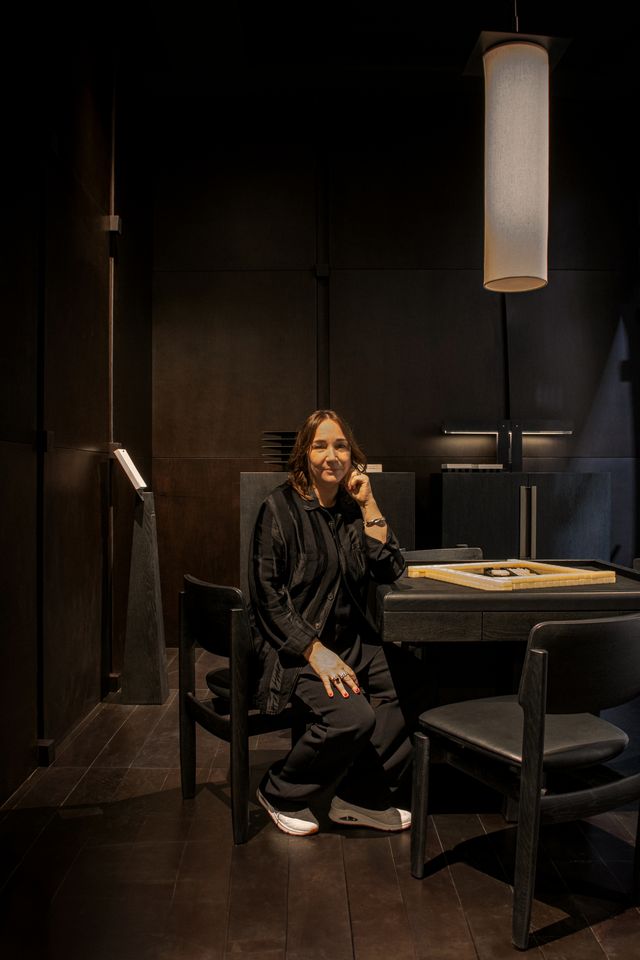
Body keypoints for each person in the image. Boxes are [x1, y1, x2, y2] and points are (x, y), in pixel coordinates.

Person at [249, 409, 417, 836]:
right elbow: (267, 596)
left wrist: (369, 503)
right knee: (352, 718)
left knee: (411, 684)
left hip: (349, 640)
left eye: (340, 446)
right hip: (292, 648)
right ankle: (280, 790)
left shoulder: (351, 508)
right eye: (320, 446)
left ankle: (358, 796)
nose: (332, 456)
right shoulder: (278, 508)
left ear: (352, 455)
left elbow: (390, 567)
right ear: (304, 454)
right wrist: (313, 650)